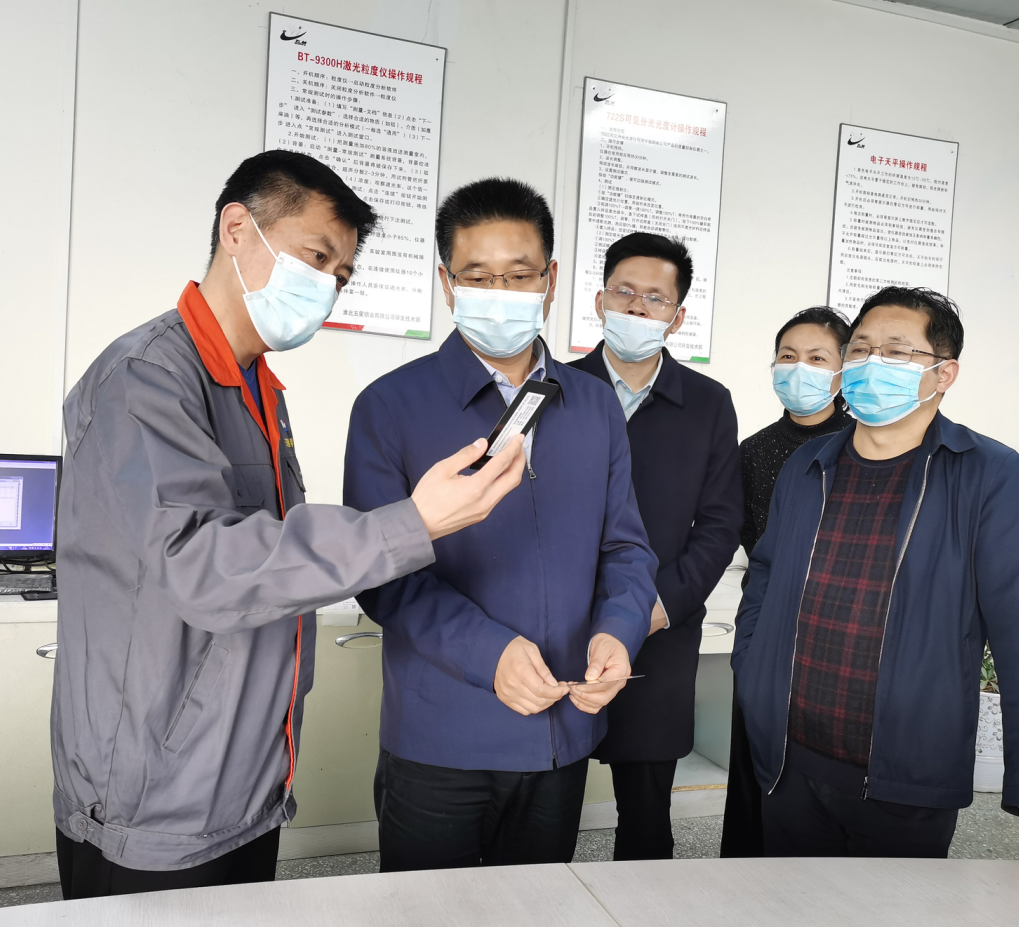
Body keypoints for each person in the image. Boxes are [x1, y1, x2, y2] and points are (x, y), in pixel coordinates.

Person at [51, 151, 528, 899]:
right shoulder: (145, 379)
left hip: (245, 777)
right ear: (237, 229)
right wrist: (414, 522)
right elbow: (202, 566)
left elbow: (269, 576)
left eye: (341, 274)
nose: (328, 287)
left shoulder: (259, 391)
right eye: (316, 257)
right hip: (157, 791)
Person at [343, 178, 657, 871]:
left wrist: (619, 630)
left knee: (540, 908)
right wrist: (490, 654)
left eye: (519, 275)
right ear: (447, 283)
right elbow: (382, 574)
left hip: (563, 726)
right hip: (442, 736)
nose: (501, 291)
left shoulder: (594, 405)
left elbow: (627, 548)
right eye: (479, 276)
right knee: (429, 914)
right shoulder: (389, 406)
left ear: (550, 279)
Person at [733, 286, 1019, 870]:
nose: (871, 363)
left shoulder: (986, 473)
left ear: (944, 373)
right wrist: (752, 670)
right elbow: (766, 572)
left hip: (907, 770)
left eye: (896, 352)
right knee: (788, 904)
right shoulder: (808, 464)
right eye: (860, 349)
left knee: (893, 908)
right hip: (789, 760)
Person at [569, 232, 742, 861]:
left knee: (645, 815)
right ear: (600, 300)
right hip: (558, 625)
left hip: (659, 629)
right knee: (546, 799)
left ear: (678, 315)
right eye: (625, 291)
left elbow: (720, 524)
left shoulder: (707, 404)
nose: (638, 307)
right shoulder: (554, 389)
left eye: (655, 298)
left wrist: (657, 607)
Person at [720, 306, 853, 859]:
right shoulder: (752, 451)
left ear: (845, 368)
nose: (800, 369)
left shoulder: (865, 444)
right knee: (755, 787)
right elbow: (752, 545)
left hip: (842, 641)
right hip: (769, 631)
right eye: (788, 356)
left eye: (818, 358)